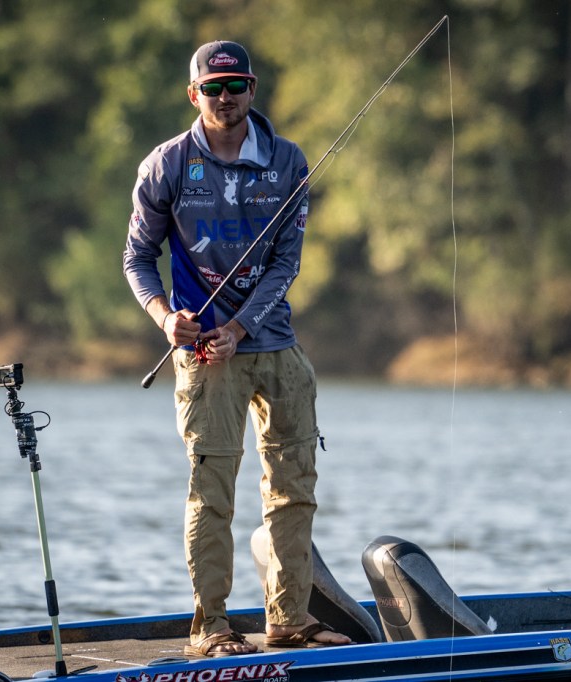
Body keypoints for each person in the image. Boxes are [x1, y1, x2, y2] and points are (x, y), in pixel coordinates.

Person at [123, 40, 351, 657]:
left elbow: (285, 264)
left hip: (275, 346)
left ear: (252, 89)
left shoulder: (287, 160)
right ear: (193, 94)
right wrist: (164, 317)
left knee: (293, 489)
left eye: (236, 86)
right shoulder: (166, 165)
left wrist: (241, 328)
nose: (225, 98)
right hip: (202, 355)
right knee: (212, 492)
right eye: (212, 88)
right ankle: (212, 627)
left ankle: (289, 620)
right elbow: (137, 258)